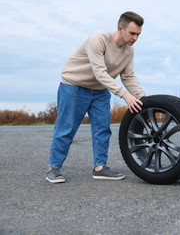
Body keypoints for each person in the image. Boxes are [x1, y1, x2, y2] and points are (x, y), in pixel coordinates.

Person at [46, 11, 145, 183]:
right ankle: (53, 168)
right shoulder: (98, 40)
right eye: (132, 33)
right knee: (66, 128)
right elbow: (100, 72)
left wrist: (144, 99)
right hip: (74, 85)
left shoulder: (129, 52)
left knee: (102, 129)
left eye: (138, 34)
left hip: (99, 91)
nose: (135, 38)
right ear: (120, 28)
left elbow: (128, 77)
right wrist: (124, 95)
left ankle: (100, 168)